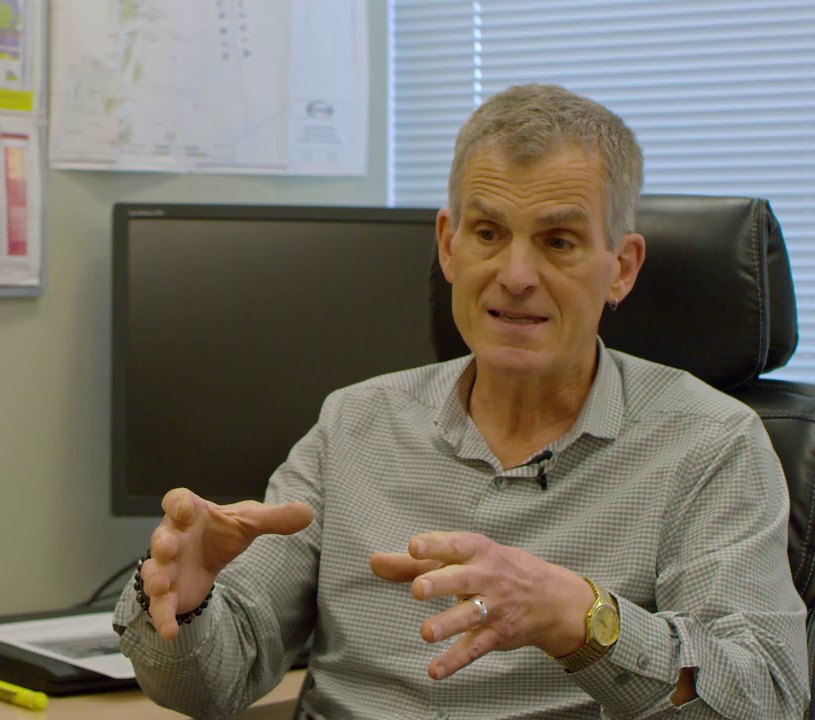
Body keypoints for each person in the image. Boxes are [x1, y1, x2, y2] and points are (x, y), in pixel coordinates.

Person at [112, 84, 809, 719]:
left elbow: (767, 694)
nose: (514, 276)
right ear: (449, 247)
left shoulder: (710, 442)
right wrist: (186, 603)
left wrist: (583, 620)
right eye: (488, 234)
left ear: (621, 268)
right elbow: (206, 686)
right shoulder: (353, 423)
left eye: (558, 241)